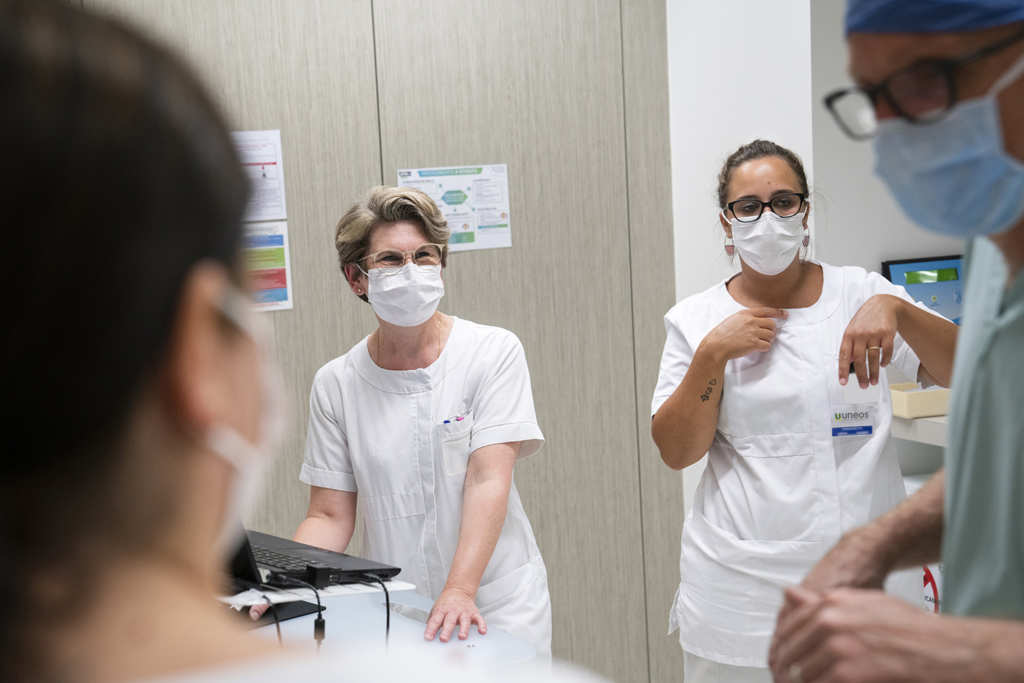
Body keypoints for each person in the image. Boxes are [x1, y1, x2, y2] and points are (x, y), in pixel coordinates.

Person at [769, 2, 1024, 682]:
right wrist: (873, 545)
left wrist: (957, 651)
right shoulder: (994, 242)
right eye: (872, 97)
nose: (892, 133)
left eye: (923, 81)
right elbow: (999, 469)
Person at [650, 140, 957, 682]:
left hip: (866, 582)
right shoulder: (696, 320)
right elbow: (677, 452)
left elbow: (966, 370)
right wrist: (712, 356)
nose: (767, 219)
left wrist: (898, 310)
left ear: (805, 211)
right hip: (741, 588)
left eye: (783, 201)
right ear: (727, 222)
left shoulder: (861, 294)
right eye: (748, 207)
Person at [263, 185, 552, 654]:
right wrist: (290, 583)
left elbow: (487, 479)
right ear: (356, 278)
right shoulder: (337, 383)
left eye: (424, 255)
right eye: (391, 260)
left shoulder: (492, 352)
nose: (412, 270)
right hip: (395, 608)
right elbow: (329, 513)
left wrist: (459, 590)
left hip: (495, 600)